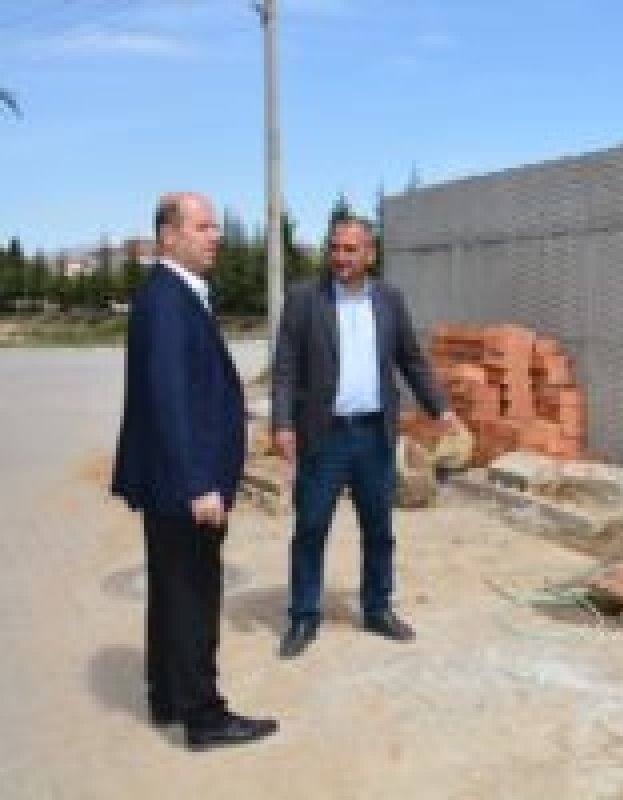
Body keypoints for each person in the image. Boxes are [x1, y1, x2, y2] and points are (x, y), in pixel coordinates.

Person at [111, 192, 278, 750]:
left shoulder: (173, 292)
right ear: (169, 236)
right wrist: (198, 483)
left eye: (215, 227)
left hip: (175, 481)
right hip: (186, 484)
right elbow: (169, 401)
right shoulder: (166, 300)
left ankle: (167, 694)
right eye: (203, 227)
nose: (216, 236)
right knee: (193, 596)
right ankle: (204, 717)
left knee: (170, 590)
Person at [271, 214, 460, 659]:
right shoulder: (304, 299)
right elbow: (285, 367)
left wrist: (441, 407)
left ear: (370, 254)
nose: (340, 257)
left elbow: (411, 360)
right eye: (334, 248)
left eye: (350, 249)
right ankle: (304, 616)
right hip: (324, 436)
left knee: (379, 528)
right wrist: (282, 423)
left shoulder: (389, 300)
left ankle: (377, 608)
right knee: (311, 527)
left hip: (374, 435)